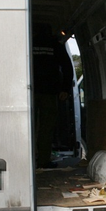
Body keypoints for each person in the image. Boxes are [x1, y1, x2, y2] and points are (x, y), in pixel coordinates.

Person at [32, 24, 74, 168]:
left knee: (28, 126)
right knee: (46, 128)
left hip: (28, 93)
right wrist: (65, 89)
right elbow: (67, 68)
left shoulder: (27, 43)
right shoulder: (55, 46)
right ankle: (43, 160)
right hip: (49, 92)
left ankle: (27, 160)